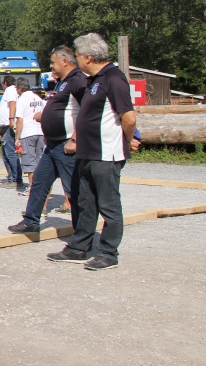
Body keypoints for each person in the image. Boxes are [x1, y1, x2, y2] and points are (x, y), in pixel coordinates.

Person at [47, 33, 138, 271]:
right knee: (86, 203)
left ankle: (108, 252)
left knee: (108, 205)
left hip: (106, 154)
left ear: (88, 57)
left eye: (77, 56)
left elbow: (128, 117)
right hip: (87, 153)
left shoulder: (114, 78)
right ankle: (80, 247)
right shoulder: (95, 79)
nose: (76, 60)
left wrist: (128, 141)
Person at [9, 45, 88, 234]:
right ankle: (31, 221)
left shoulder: (78, 81)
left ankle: (83, 232)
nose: (51, 66)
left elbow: (88, 111)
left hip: (67, 143)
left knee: (73, 189)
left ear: (64, 61)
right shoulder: (62, 82)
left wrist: (75, 139)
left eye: (53, 62)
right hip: (52, 144)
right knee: (39, 182)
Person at [14, 78, 45, 194]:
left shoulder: (22, 99)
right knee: (39, 160)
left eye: (17, 88)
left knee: (29, 162)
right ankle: (40, 186)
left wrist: (18, 137)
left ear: (20, 88)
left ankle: (32, 188)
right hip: (40, 132)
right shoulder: (38, 98)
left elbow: (20, 120)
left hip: (28, 133)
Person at [0, 75, 23, 189]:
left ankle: (16, 179)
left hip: (8, 126)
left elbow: (12, 103)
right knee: (5, 153)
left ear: (5, 83)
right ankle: (12, 177)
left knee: (10, 153)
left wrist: (11, 120)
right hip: (5, 125)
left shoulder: (10, 90)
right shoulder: (12, 90)